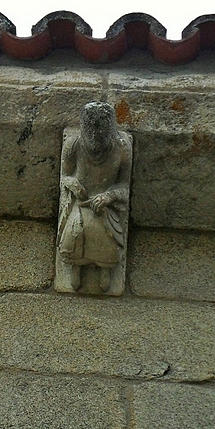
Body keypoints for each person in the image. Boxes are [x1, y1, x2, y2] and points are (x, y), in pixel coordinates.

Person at [57, 101, 132, 291]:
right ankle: (76, 266)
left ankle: (105, 269)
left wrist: (109, 196)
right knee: (74, 236)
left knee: (107, 242)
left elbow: (124, 187)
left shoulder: (122, 149)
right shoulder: (72, 145)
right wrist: (73, 184)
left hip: (104, 208)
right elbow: (65, 177)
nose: (95, 144)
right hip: (81, 204)